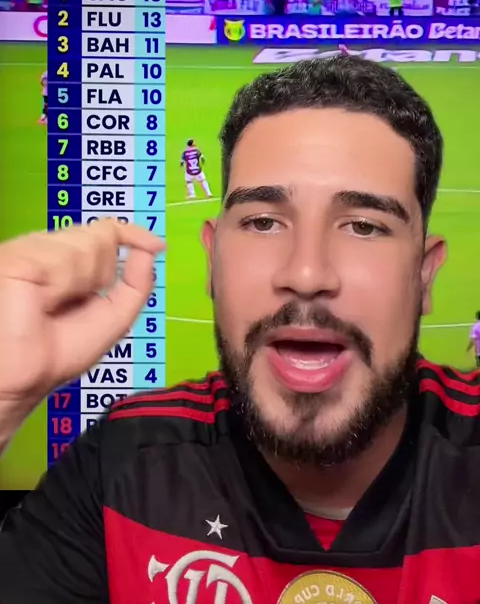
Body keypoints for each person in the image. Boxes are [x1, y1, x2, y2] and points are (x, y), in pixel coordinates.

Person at [0, 56, 479, 603]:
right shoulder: (124, 465)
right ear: (212, 260)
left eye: (364, 226)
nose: (306, 274)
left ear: (424, 273)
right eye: (262, 221)